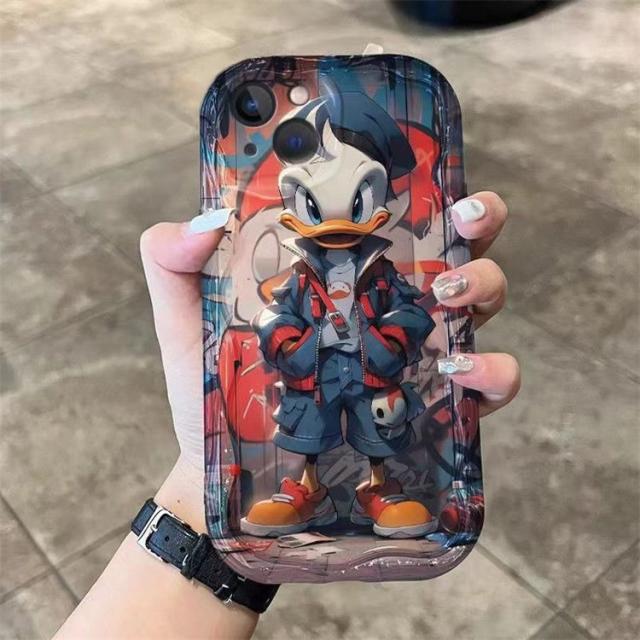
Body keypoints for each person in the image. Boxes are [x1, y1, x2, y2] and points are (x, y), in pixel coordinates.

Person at [55, 191, 520, 639]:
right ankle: (307, 489)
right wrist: (307, 344)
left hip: (372, 377)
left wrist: (380, 342)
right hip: (315, 378)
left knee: (379, 426)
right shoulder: (300, 278)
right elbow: (275, 322)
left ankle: (378, 487)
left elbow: (412, 314)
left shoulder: (382, 275)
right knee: (307, 427)